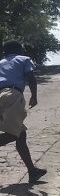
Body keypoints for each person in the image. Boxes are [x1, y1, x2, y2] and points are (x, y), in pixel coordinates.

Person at [0, 40, 45, 182]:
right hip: (12, 96)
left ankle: (32, 171)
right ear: (19, 50)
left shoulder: (0, 63)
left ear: (4, 52)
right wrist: (34, 96)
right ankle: (32, 171)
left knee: (21, 134)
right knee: (13, 134)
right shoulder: (24, 59)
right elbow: (31, 77)